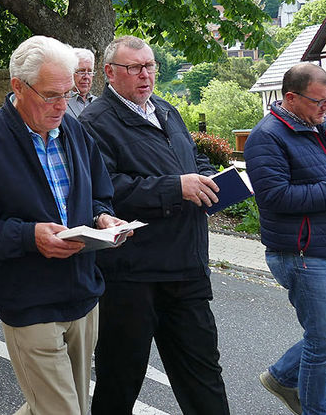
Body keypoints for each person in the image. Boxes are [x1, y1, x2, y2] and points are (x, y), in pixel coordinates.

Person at [0, 36, 124, 415]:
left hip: (84, 295)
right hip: (27, 299)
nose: (62, 105)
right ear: (18, 87)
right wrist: (28, 236)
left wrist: (103, 217)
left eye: (68, 93)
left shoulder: (74, 132)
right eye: (51, 95)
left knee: (65, 408)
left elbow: (99, 193)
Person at [79, 35, 230, 415]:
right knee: (120, 378)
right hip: (132, 276)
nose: (145, 74)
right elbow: (104, 189)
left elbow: (193, 160)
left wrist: (211, 181)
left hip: (187, 268)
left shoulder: (166, 110)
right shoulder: (94, 122)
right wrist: (175, 188)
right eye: (134, 68)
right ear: (110, 74)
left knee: (203, 376)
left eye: (149, 66)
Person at [244, 63, 326, 415]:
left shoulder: (315, 125)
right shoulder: (268, 136)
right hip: (302, 254)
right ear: (290, 98)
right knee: (324, 343)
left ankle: (283, 376)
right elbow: (276, 197)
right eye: (319, 102)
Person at [65, 48, 96, 119]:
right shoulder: (61, 102)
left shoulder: (99, 103)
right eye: (81, 71)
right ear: (70, 72)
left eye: (90, 72)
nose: (86, 76)